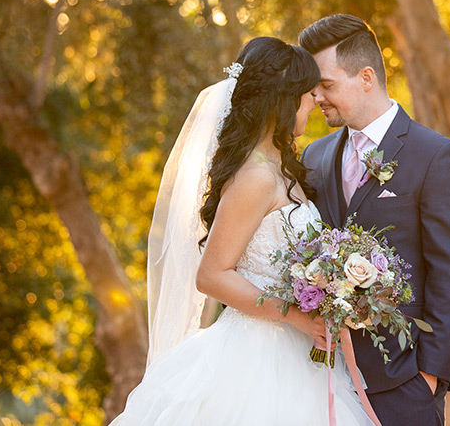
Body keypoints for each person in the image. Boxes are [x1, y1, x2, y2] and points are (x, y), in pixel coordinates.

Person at [111, 37, 374, 426]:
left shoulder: (282, 168)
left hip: (300, 355)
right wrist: (296, 316)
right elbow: (212, 274)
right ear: (284, 101)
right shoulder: (255, 176)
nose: (314, 102)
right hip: (256, 356)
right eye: (306, 94)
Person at [299, 15, 450, 426]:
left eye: (326, 85)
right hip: (320, 378)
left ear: (365, 77)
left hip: (403, 381)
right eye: (313, 87)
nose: (317, 96)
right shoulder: (315, 157)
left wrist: (429, 376)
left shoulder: (434, 156)